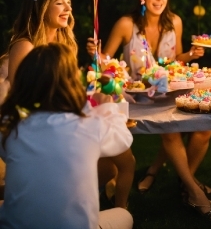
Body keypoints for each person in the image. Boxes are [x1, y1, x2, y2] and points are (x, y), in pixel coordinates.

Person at [90, 0, 211, 221]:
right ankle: (193, 191)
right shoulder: (126, 24)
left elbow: (176, 60)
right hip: (134, 97)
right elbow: (105, 65)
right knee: (171, 131)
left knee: (204, 128)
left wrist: (191, 54)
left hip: (167, 92)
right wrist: (96, 55)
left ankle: (179, 178)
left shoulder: (175, 22)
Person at [7, 0, 135, 210]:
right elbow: (20, 96)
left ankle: (82, 201)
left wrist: (104, 89)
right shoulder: (25, 46)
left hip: (66, 117)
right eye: (60, 3)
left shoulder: (64, 41)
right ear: (41, 6)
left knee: (114, 165)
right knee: (109, 162)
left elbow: (71, 86)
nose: (68, 9)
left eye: (69, 3)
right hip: (36, 127)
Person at [0, 42, 134, 229]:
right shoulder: (90, 125)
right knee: (124, 216)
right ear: (71, 81)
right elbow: (124, 139)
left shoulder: (10, 126)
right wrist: (106, 107)